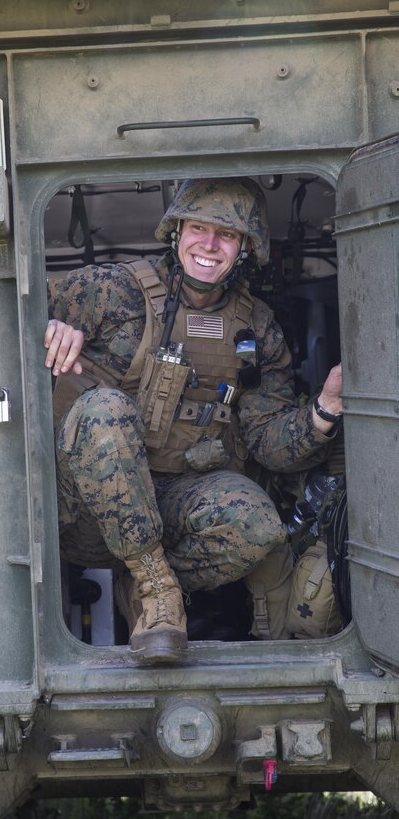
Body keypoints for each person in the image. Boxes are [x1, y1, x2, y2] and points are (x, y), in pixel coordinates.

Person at [44, 177, 343, 664]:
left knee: (258, 525)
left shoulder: (257, 327)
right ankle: (156, 587)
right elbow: (3, 316)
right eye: (199, 228)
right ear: (177, 230)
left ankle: (146, 579)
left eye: (226, 235)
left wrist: (325, 409)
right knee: (105, 409)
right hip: (81, 512)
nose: (209, 244)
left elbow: (269, 441)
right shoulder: (112, 291)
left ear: (245, 247)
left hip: (172, 507)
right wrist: (47, 328)